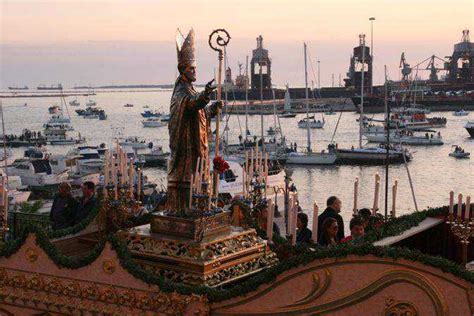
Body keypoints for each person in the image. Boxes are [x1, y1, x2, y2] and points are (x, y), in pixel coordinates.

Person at [167, 28, 221, 214]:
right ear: (183, 70)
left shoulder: (189, 89)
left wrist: (212, 109)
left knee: (201, 172)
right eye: (192, 68)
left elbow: (199, 113)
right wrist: (205, 95)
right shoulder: (181, 92)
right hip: (187, 145)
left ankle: (202, 202)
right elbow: (191, 105)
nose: (195, 71)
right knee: (189, 174)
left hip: (198, 142)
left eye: (195, 68)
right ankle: (185, 207)